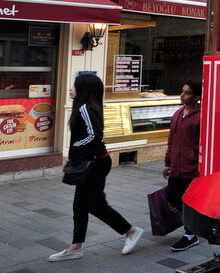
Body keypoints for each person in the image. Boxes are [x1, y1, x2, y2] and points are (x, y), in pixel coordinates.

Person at [49, 74, 143, 261]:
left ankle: (130, 231)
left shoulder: (85, 108)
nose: (70, 89)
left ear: (83, 89)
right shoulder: (85, 107)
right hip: (92, 161)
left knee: (94, 204)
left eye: (74, 86)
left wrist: (75, 147)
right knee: (80, 205)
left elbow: (94, 135)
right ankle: (76, 247)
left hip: (95, 163)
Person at [163, 80, 201, 251]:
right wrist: (167, 163)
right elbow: (171, 141)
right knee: (171, 195)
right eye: (182, 91)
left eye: (187, 93)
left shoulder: (201, 116)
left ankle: (190, 234)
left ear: (197, 97)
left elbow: (203, 144)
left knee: (189, 200)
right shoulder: (178, 114)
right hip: (176, 167)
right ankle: (192, 225)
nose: (182, 95)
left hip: (191, 168)